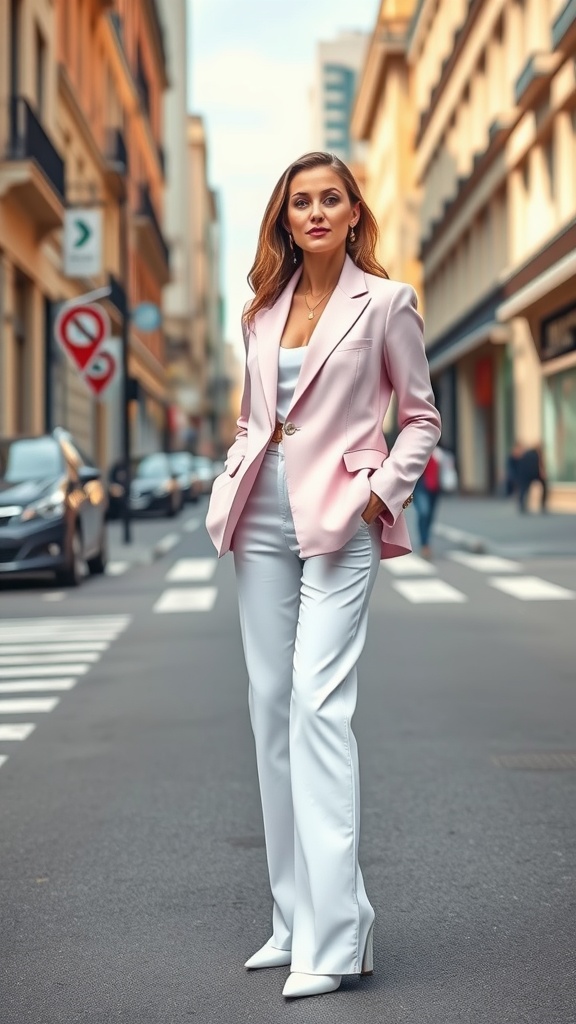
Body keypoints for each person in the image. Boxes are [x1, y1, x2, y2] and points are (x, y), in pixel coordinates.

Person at [205, 152, 441, 1000]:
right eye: (299, 201)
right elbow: (252, 416)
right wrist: (234, 468)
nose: (313, 212)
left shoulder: (387, 302)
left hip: (342, 518)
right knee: (270, 709)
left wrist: (381, 496)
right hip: (259, 514)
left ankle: (337, 939)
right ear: (285, 217)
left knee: (316, 705)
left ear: (351, 213)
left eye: (328, 199)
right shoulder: (261, 312)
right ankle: (291, 919)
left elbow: (419, 416)